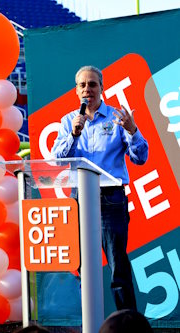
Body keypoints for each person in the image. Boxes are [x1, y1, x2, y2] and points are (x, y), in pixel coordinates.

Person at [51, 65, 149, 310]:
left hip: (111, 200)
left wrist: (132, 131)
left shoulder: (118, 117)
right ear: (76, 91)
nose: (87, 89)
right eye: (82, 85)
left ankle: (126, 323)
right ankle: (90, 322)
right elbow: (58, 159)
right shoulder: (68, 121)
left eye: (92, 84)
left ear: (102, 88)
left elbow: (141, 158)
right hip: (79, 200)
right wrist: (74, 133)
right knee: (84, 267)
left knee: (118, 267)